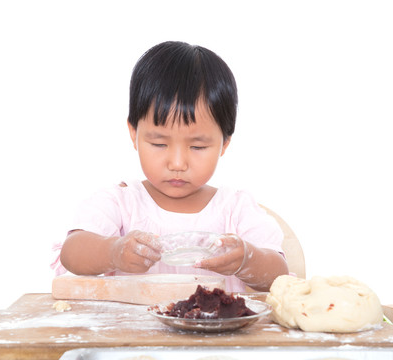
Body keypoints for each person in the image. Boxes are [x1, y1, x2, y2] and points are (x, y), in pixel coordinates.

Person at [53, 41, 288, 292]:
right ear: (134, 133)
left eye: (197, 147)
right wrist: (114, 251)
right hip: (132, 332)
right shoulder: (122, 203)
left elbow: (278, 274)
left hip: (215, 332)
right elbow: (73, 251)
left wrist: (246, 259)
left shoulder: (235, 209)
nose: (177, 163)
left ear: (225, 143)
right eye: (159, 143)